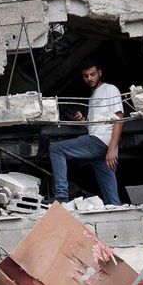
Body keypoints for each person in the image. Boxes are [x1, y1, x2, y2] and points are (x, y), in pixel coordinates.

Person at [49, 59, 124, 205]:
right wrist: (83, 121)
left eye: (93, 74)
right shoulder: (92, 97)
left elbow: (119, 119)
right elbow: (98, 124)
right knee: (111, 198)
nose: (89, 78)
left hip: (101, 143)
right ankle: (119, 216)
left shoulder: (110, 89)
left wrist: (111, 148)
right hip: (100, 147)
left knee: (56, 149)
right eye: (86, 76)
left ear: (99, 73)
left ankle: (61, 195)